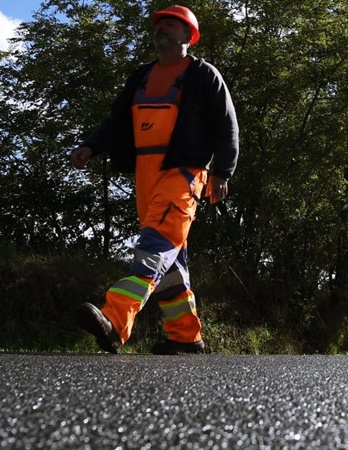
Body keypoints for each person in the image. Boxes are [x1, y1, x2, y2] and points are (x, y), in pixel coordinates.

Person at [70, 5, 239, 354]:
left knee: (155, 247)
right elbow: (116, 121)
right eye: (160, 23)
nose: (162, 28)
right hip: (145, 176)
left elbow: (227, 125)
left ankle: (115, 319)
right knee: (171, 262)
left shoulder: (203, 75)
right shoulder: (141, 77)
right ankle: (186, 336)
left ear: (188, 37)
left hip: (184, 174)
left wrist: (222, 172)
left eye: (171, 25)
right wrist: (90, 146)